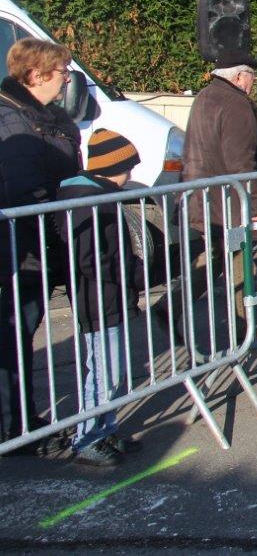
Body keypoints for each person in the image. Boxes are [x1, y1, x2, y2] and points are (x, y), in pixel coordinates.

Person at [0, 39, 81, 449]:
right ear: (36, 75)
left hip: (43, 240)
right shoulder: (10, 118)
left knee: (22, 331)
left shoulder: (48, 117)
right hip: (22, 244)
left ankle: (23, 421)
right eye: (61, 70)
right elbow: (24, 188)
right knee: (15, 335)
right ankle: (18, 427)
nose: (67, 77)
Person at [56, 130, 145, 467]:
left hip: (108, 296)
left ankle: (105, 429)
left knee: (111, 373)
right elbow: (92, 258)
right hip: (98, 299)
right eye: (128, 168)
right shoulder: (88, 202)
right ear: (113, 167)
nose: (131, 176)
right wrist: (132, 274)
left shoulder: (98, 196)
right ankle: (87, 439)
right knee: (104, 374)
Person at [181, 49, 257, 344]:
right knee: (242, 262)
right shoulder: (236, 104)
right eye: (252, 76)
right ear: (240, 76)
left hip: (207, 197)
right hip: (232, 203)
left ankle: (170, 307)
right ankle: (244, 328)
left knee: (214, 259)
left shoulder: (205, 97)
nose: (253, 82)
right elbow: (242, 162)